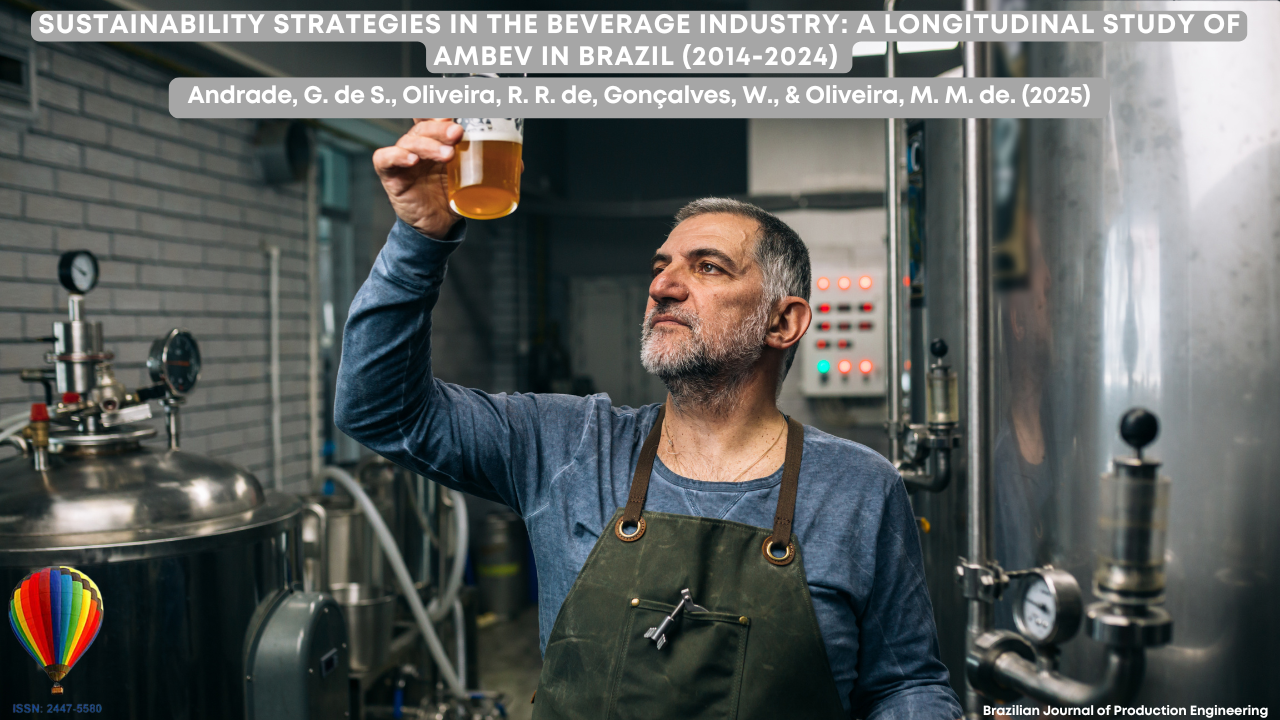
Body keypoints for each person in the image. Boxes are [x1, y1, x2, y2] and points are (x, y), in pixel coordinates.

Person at [335, 118, 962, 719]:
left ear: (783, 321)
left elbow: (906, 684)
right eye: (661, 265)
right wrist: (420, 238)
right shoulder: (566, 445)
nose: (664, 285)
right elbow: (378, 406)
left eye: (708, 266)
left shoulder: (857, 487)